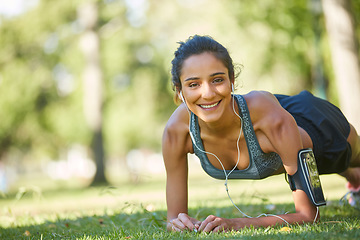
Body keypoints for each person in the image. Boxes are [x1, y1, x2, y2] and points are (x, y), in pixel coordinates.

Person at [162, 35, 360, 232]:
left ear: (231, 80)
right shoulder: (177, 131)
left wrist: (235, 223)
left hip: (318, 126)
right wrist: (179, 223)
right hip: (278, 127)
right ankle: (355, 180)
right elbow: (174, 218)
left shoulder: (271, 120)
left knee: (351, 157)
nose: (208, 93)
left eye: (217, 80)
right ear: (179, 90)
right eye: (193, 84)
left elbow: (309, 216)